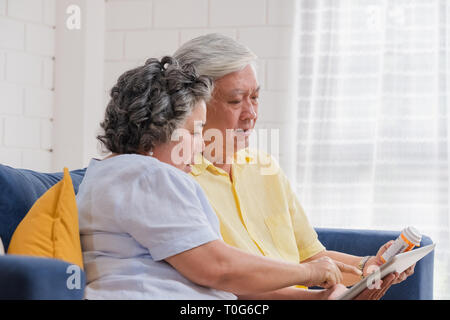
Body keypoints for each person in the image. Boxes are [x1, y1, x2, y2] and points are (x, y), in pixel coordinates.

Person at [76, 56, 363, 300]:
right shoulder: (151, 175)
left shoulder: (107, 173)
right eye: (195, 131)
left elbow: (217, 273)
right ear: (158, 130)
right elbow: (219, 268)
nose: (201, 144)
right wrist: (310, 273)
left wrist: (314, 295)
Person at [173, 33, 414, 299]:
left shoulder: (264, 168)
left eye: (254, 98)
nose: (251, 114)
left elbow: (312, 256)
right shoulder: (178, 181)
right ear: (195, 105)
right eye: (235, 100)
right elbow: (223, 284)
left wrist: (367, 266)